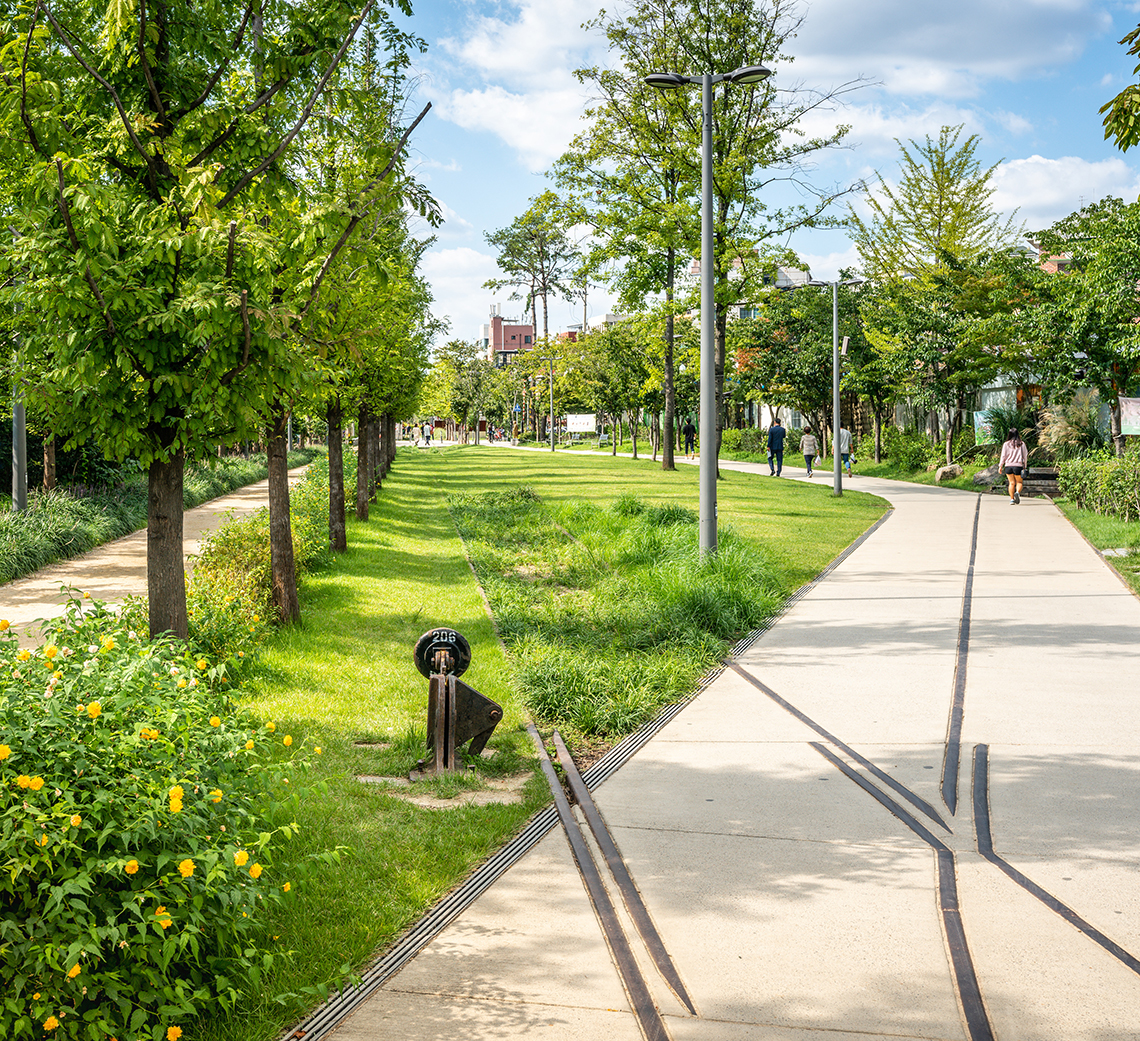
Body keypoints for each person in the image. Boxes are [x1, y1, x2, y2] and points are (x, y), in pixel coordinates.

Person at [998, 426, 1028, 504]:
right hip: (1018, 466)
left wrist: (1000, 466)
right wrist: (1025, 466)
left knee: (1011, 483)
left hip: (1008, 466)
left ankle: (1012, 499)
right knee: (1019, 482)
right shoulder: (1022, 444)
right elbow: (1025, 455)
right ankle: (1017, 493)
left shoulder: (1006, 444)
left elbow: (1003, 456)